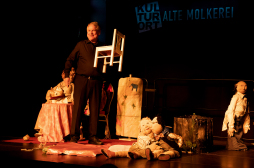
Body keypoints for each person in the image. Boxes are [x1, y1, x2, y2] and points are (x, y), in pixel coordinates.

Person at [64, 21, 104, 145]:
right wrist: (66, 75)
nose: (90, 33)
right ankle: (74, 136)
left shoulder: (103, 47)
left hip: (96, 81)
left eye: (93, 30)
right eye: (88, 31)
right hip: (81, 80)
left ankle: (92, 136)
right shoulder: (81, 45)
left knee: (94, 110)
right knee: (78, 109)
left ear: (98, 32)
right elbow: (70, 59)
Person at [222, 81, 250, 150]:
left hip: (240, 119)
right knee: (233, 133)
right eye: (241, 85)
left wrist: (246, 125)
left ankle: (237, 145)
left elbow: (247, 113)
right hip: (234, 118)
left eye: (245, 85)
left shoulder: (245, 99)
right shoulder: (235, 97)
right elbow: (231, 110)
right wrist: (231, 125)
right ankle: (234, 146)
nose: (244, 87)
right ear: (236, 87)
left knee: (239, 133)